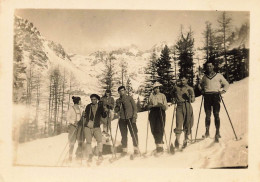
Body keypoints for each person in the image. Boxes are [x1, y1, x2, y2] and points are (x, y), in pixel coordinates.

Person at [199, 61, 229, 141]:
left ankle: (217, 132)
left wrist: (223, 91)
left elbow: (226, 84)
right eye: (207, 66)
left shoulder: (218, 75)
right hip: (207, 96)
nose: (209, 68)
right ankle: (207, 132)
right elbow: (199, 84)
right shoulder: (204, 77)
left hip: (215, 96)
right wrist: (201, 90)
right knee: (208, 115)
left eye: (210, 66)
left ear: (213, 67)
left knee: (216, 114)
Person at [82, 94, 107, 162]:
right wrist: (84, 115)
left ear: (97, 100)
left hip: (96, 126)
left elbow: (104, 116)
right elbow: (85, 115)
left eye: (94, 99)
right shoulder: (88, 106)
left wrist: (105, 111)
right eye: (92, 99)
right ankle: (90, 155)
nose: (93, 101)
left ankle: (100, 154)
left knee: (99, 141)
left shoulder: (100, 107)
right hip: (88, 126)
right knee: (88, 142)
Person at [114, 86, 139, 156]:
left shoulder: (129, 98)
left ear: (125, 91)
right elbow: (116, 110)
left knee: (134, 134)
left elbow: (135, 108)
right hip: (122, 119)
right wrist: (117, 108)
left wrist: (134, 117)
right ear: (118, 92)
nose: (121, 92)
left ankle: (136, 149)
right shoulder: (118, 100)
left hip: (130, 118)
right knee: (124, 135)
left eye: (122, 90)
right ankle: (124, 150)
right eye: (120, 91)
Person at [172, 76, 195, 149]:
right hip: (179, 106)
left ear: (187, 80)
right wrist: (173, 96)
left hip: (187, 105)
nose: (182, 81)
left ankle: (186, 139)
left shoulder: (190, 88)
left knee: (187, 122)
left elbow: (193, 100)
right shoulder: (176, 88)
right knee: (179, 123)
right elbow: (172, 95)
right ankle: (177, 140)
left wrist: (190, 95)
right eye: (181, 80)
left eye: (184, 80)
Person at [147, 82, 168, 153]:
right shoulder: (151, 96)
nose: (157, 89)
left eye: (158, 88)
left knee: (160, 128)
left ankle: (160, 147)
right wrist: (149, 106)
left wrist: (161, 105)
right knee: (153, 129)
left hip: (160, 112)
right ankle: (157, 145)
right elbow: (149, 104)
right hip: (153, 112)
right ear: (153, 89)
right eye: (155, 88)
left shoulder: (162, 95)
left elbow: (166, 107)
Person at [66, 96, 84, 162]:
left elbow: (82, 117)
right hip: (73, 127)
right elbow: (68, 118)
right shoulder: (71, 109)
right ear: (78, 101)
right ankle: (70, 156)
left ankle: (78, 156)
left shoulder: (80, 109)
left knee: (80, 141)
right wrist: (73, 123)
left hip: (79, 127)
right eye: (80, 100)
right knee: (72, 142)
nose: (80, 102)